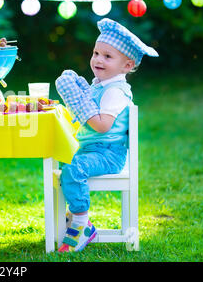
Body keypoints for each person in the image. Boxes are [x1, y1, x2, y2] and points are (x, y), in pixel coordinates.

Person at [55, 18, 158, 252]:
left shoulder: (114, 92)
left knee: (74, 167)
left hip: (109, 155)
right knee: (65, 161)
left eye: (107, 56)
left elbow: (102, 126)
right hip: (93, 150)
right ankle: (78, 218)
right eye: (96, 53)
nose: (98, 60)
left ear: (127, 65)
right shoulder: (100, 85)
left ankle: (81, 224)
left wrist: (79, 104)